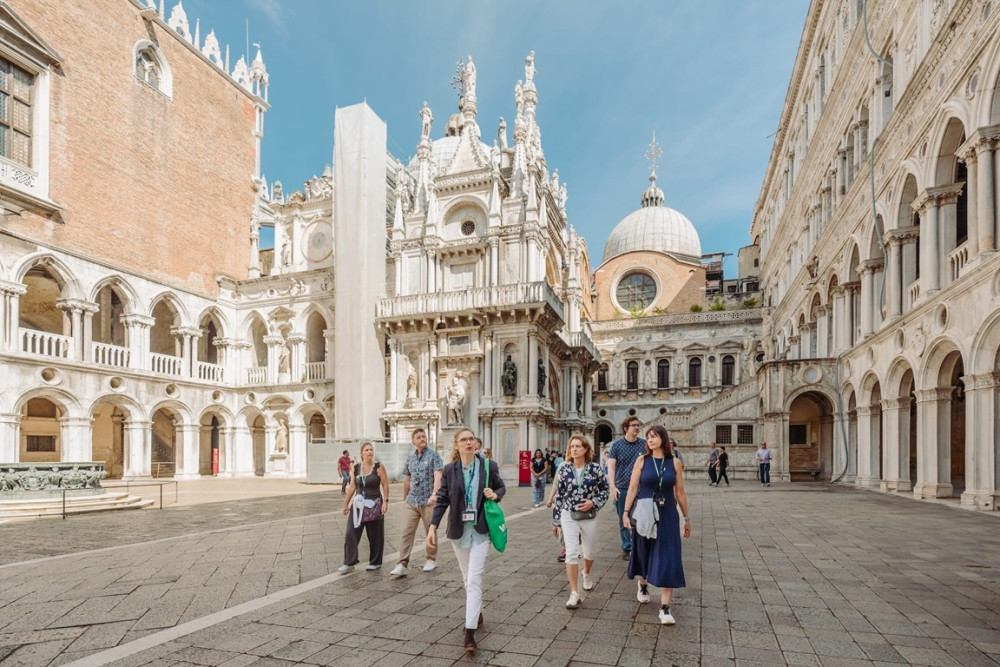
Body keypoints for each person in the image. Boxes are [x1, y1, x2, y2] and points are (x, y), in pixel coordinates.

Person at [427, 428, 506, 654]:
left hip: (482, 530)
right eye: (463, 440)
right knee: (466, 578)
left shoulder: (488, 466)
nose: (468, 442)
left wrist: (495, 493)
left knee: (473, 578)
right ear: (457, 445)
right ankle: (477, 611)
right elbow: (442, 499)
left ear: (476, 444)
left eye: (471, 439)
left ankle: (469, 632)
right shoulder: (450, 470)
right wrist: (432, 528)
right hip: (459, 531)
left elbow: (501, 486)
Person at [622, 425, 690, 625]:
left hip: (667, 512)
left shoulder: (675, 463)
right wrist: (626, 513)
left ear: (663, 438)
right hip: (644, 511)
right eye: (648, 438)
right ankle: (643, 584)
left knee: (668, 555)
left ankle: (665, 607)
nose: (649, 441)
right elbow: (633, 488)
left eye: (653, 437)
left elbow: (680, 493)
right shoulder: (642, 461)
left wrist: (687, 518)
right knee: (643, 550)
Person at [546, 435, 609, 609]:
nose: (574, 449)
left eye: (578, 446)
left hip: (588, 515)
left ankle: (586, 573)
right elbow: (559, 495)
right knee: (571, 552)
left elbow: (605, 490)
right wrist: (556, 521)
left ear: (586, 450)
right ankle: (574, 593)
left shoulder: (595, 469)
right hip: (568, 513)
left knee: (589, 553)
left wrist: (593, 502)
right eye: (572, 446)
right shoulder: (564, 468)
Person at [391, 428, 443, 577]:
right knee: (407, 532)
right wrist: (404, 498)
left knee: (430, 531)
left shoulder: (434, 456)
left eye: (424, 436)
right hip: (412, 501)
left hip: (428, 501)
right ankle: (402, 563)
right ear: (413, 441)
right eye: (419, 437)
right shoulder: (410, 458)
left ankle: (431, 559)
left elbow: (438, 475)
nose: (422, 439)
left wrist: (435, 494)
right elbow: (407, 479)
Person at [339, 441, 389, 573]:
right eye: (366, 450)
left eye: (371, 450)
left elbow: (385, 484)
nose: (369, 452)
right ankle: (349, 562)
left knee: (375, 535)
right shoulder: (356, 468)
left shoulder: (379, 467)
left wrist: (385, 502)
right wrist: (346, 504)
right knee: (351, 532)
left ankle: (375, 561)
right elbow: (352, 487)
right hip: (358, 505)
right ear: (361, 453)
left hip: (374, 504)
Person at [606, 416, 646, 560]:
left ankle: (640, 545)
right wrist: (612, 486)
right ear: (625, 428)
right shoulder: (617, 445)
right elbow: (611, 466)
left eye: (638, 425)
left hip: (641, 488)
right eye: (634, 425)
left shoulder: (644, 444)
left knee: (641, 518)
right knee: (624, 519)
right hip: (622, 487)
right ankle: (627, 547)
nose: (637, 427)